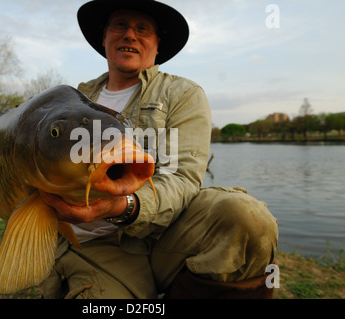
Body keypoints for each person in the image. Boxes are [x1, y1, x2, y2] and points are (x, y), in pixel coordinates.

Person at [41, 0, 278, 299]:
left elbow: (183, 178)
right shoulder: (71, 100)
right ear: (104, 38)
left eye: (143, 28)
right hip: (94, 240)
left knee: (247, 217)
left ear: (156, 46)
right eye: (120, 25)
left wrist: (122, 206)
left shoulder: (183, 94)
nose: (130, 34)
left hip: (167, 232)